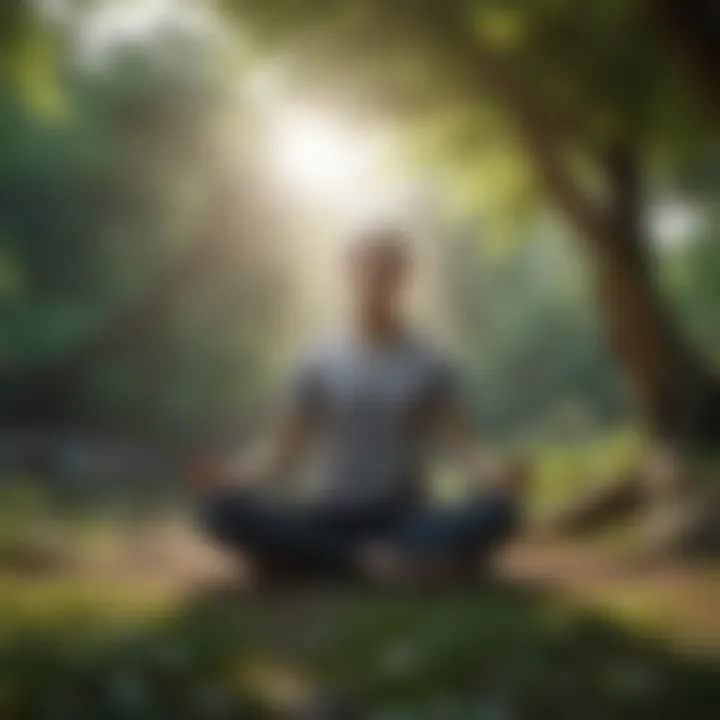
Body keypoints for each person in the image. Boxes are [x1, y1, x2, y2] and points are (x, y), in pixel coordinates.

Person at [192, 225, 526, 586]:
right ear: (348, 273)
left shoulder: (430, 362)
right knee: (221, 512)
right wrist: (231, 478)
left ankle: (325, 561)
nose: (375, 280)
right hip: (333, 515)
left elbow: (463, 449)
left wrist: (496, 476)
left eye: (386, 270)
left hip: (405, 517)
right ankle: (371, 562)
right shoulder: (317, 359)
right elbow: (281, 452)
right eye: (366, 268)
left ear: (404, 278)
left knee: (500, 514)